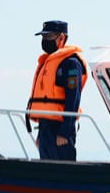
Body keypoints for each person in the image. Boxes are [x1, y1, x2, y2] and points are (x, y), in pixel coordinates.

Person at [26, 20, 88, 161]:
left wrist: (65, 131)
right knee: (46, 169)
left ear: (61, 38)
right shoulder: (47, 63)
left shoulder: (71, 64)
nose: (45, 40)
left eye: (49, 36)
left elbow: (73, 97)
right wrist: (40, 135)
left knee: (63, 169)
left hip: (61, 129)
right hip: (45, 128)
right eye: (43, 37)